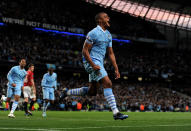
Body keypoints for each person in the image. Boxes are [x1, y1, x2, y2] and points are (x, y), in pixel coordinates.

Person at [62, 12, 128, 120]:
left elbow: (111, 53)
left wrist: (116, 68)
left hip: (98, 63)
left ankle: (67, 92)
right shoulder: (93, 33)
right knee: (108, 83)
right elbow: (85, 51)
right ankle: (116, 113)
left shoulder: (108, 34)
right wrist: (92, 64)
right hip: (91, 62)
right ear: (100, 20)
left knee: (92, 91)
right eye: (106, 17)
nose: (108, 18)